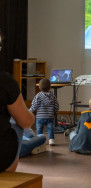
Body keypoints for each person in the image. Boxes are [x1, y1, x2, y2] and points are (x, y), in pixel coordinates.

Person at [0, 31, 35, 172]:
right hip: (2, 157)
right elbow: (26, 122)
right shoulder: (5, 81)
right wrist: (31, 115)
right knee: (18, 123)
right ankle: (8, 174)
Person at [29, 78, 59, 146]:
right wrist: (55, 111)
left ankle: (40, 141)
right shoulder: (53, 95)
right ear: (50, 87)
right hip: (50, 116)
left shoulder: (38, 96)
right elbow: (56, 105)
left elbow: (34, 105)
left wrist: (29, 111)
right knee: (50, 129)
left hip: (40, 117)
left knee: (39, 129)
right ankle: (51, 140)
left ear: (39, 87)